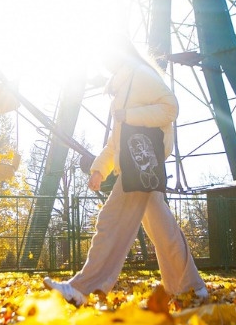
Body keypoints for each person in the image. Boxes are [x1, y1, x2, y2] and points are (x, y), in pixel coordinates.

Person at [44, 42, 208, 305]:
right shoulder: (123, 86)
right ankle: (191, 287)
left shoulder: (140, 76)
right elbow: (116, 143)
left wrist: (130, 114)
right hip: (140, 164)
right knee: (163, 231)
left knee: (111, 221)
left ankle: (83, 288)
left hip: (140, 164)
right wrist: (100, 169)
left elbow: (170, 108)